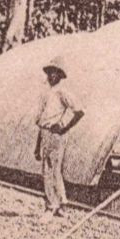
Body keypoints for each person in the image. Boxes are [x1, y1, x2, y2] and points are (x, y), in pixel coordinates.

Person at [34, 58, 84, 218]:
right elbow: (42, 121)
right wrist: (37, 145)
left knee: (49, 170)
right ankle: (62, 204)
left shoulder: (62, 92)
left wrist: (64, 127)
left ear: (60, 75)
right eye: (49, 73)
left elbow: (79, 112)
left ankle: (51, 206)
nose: (50, 76)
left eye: (54, 73)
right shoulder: (46, 93)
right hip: (45, 133)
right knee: (52, 170)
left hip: (55, 135)